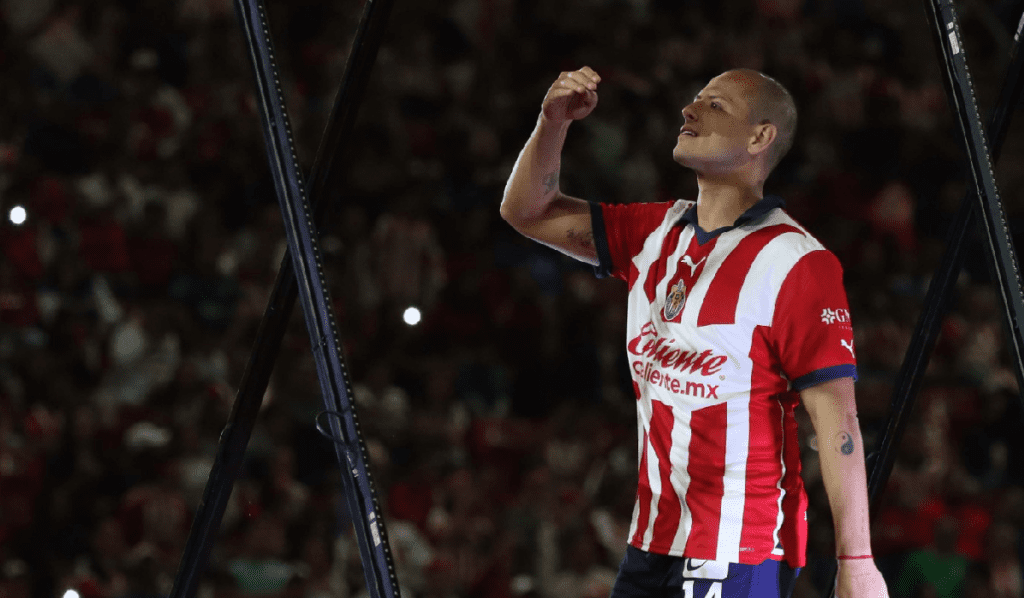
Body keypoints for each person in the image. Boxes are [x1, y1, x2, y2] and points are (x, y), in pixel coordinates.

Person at [500, 66, 891, 598]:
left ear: (760, 137)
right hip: (651, 541)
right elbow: (527, 211)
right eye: (695, 99)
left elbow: (838, 422)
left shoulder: (799, 262)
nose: (689, 110)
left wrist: (858, 562)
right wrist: (552, 124)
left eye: (715, 106)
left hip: (739, 547)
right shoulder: (651, 231)